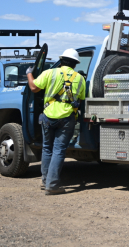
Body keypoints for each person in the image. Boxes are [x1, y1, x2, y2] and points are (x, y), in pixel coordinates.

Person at [26, 48, 85, 195]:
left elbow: (33, 87)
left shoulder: (50, 73)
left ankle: (46, 182)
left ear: (61, 61)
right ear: (75, 64)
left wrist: (29, 73)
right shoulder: (80, 78)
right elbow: (81, 100)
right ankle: (52, 185)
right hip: (67, 118)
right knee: (58, 150)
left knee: (47, 148)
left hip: (48, 115)